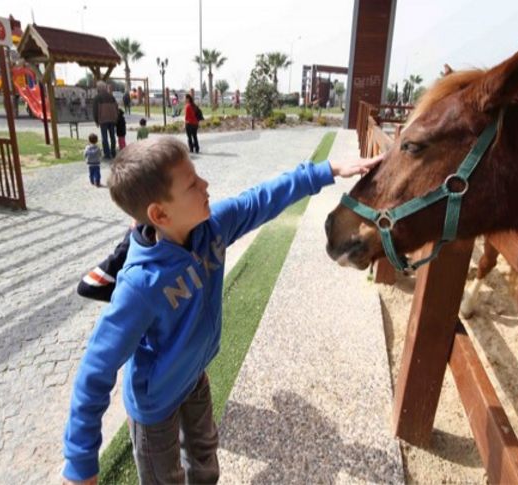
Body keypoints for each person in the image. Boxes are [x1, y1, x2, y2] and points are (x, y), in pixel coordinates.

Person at [61, 136, 385, 484]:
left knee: (204, 457)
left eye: (197, 176)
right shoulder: (141, 285)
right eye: (192, 184)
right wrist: (80, 462)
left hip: (194, 378)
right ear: (160, 214)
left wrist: (327, 171)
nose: (205, 184)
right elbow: (95, 371)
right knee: (164, 477)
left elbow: (261, 199)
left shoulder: (212, 227)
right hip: (154, 406)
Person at [92, 81, 119, 159]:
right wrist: (116, 118)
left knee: (104, 137)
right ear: (105, 88)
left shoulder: (97, 98)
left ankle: (107, 154)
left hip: (103, 120)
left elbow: (95, 110)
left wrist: (96, 121)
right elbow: (116, 108)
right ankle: (113, 152)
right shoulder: (111, 97)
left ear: (99, 88)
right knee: (112, 136)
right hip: (112, 119)